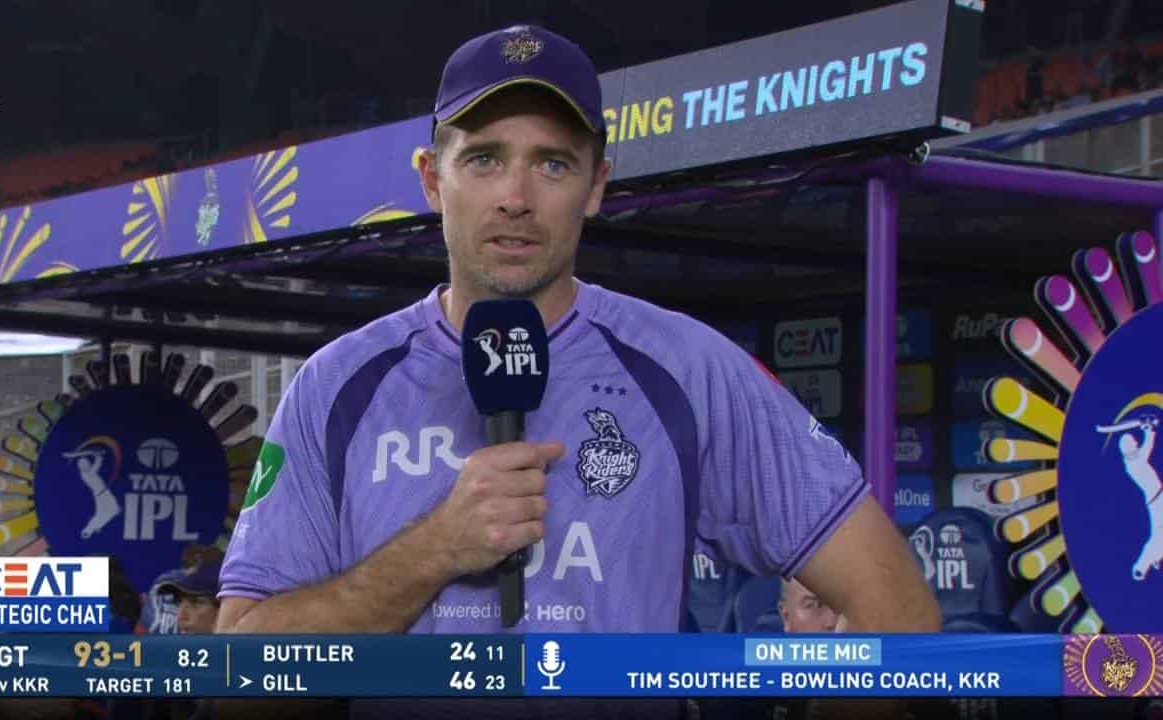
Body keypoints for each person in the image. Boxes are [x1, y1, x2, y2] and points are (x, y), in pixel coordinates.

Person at [218, 22, 937, 717]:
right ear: (433, 179)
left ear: (597, 185)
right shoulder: (336, 386)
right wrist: (433, 549)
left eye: (553, 164)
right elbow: (238, 678)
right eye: (484, 159)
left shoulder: (689, 368)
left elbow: (898, 606)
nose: (516, 198)